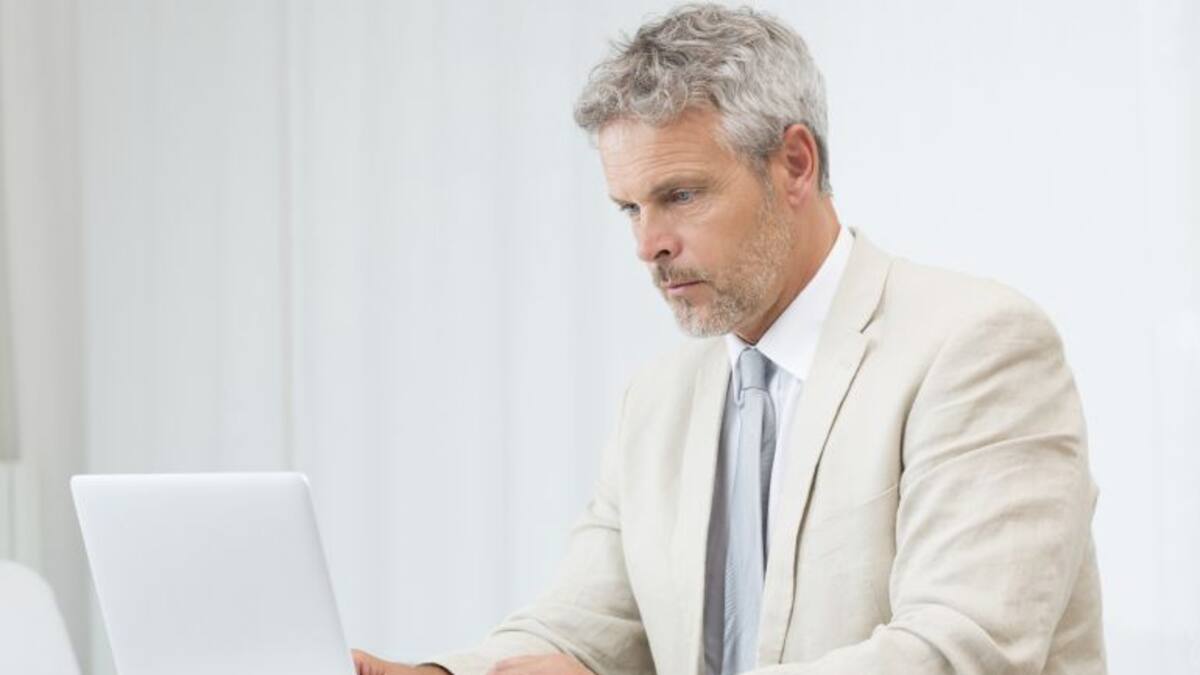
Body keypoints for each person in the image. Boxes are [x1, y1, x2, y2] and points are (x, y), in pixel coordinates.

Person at [353, 4, 1106, 674]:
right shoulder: (656, 400)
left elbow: (959, 651)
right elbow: (585, 628)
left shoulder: (976, 345)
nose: (648, 244)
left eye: (680, 195)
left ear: (796, 164)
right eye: (629, 208)